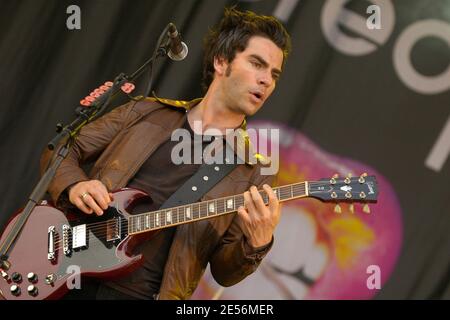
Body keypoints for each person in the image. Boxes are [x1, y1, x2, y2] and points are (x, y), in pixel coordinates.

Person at [41, 7, 291, 300]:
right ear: (222, 62)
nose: (266, 81)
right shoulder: (146, 111)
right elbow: (61, 148)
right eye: (256, 64)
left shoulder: (253, 171)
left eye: (274, 74)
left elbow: (225, 272)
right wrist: (75, 185)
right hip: (68, 273)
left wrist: (256, 244)